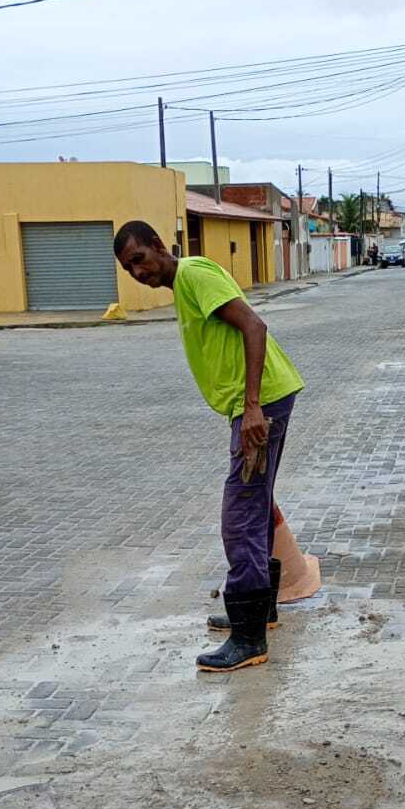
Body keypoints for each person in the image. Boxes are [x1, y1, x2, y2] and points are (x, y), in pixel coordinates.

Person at [113, 221, 304, 674]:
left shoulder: (195, 274)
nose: (137, 272)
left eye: (139, 259)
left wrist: (252, 407)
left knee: (240, 515)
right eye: (128, 269)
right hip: (260, 401)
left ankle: (248, 639)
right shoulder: (184, 283)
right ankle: (260, 613)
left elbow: (254, 326)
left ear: (158, 246)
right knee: (255, 504)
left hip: (260, 404)